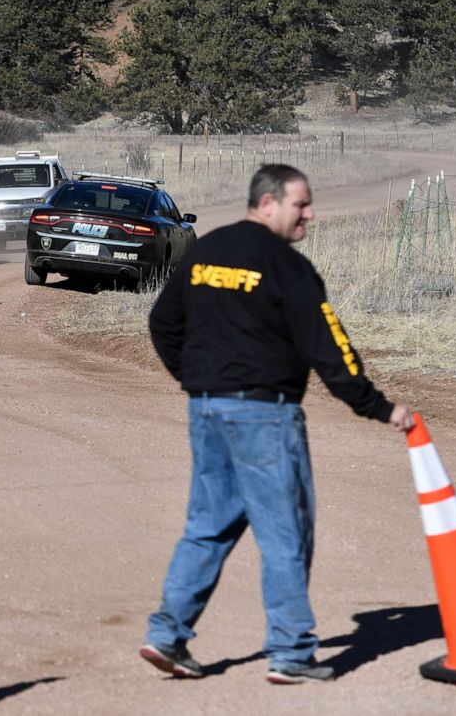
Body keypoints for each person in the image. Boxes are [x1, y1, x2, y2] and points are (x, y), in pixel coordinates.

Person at [139, 164, 414, 685]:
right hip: (264, 416)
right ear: (268, 204)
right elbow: (331, 348)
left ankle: (167, 635)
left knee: (207, 528)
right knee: (285, 534)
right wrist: (377, 406)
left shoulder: (205, 252)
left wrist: (198, 381)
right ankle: (290, 654)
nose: (309, 214)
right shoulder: (289, 267)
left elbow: (162, 323)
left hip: (208, 410)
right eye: (301, 204)